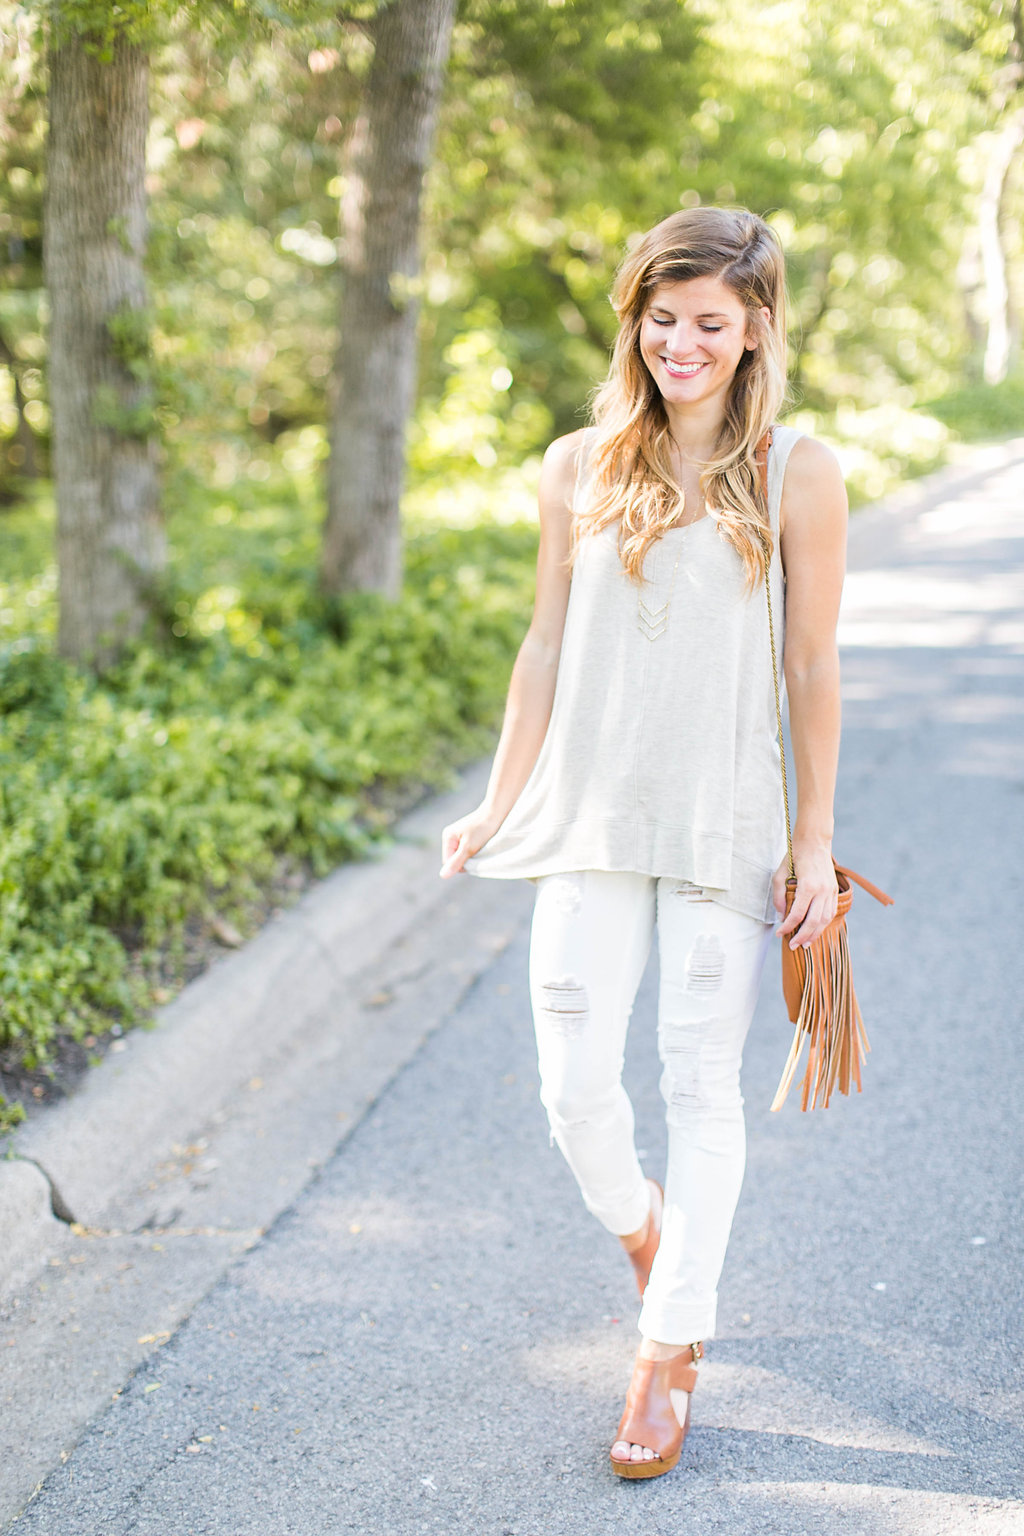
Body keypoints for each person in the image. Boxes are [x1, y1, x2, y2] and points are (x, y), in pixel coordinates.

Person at [439, 206, 847, 1480]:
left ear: (755, 331)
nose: (679, 342)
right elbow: (546, 646)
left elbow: (811, 663)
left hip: (726, 824)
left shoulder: (797, 470)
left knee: (695, 1084)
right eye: (660, 318)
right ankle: (644, 1232)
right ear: (636, 318)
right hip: (590, 815)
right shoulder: (576, 464)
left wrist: (817, 846)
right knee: (572, 1088)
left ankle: (668, 1353)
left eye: (707, 323)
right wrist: (498, 802)